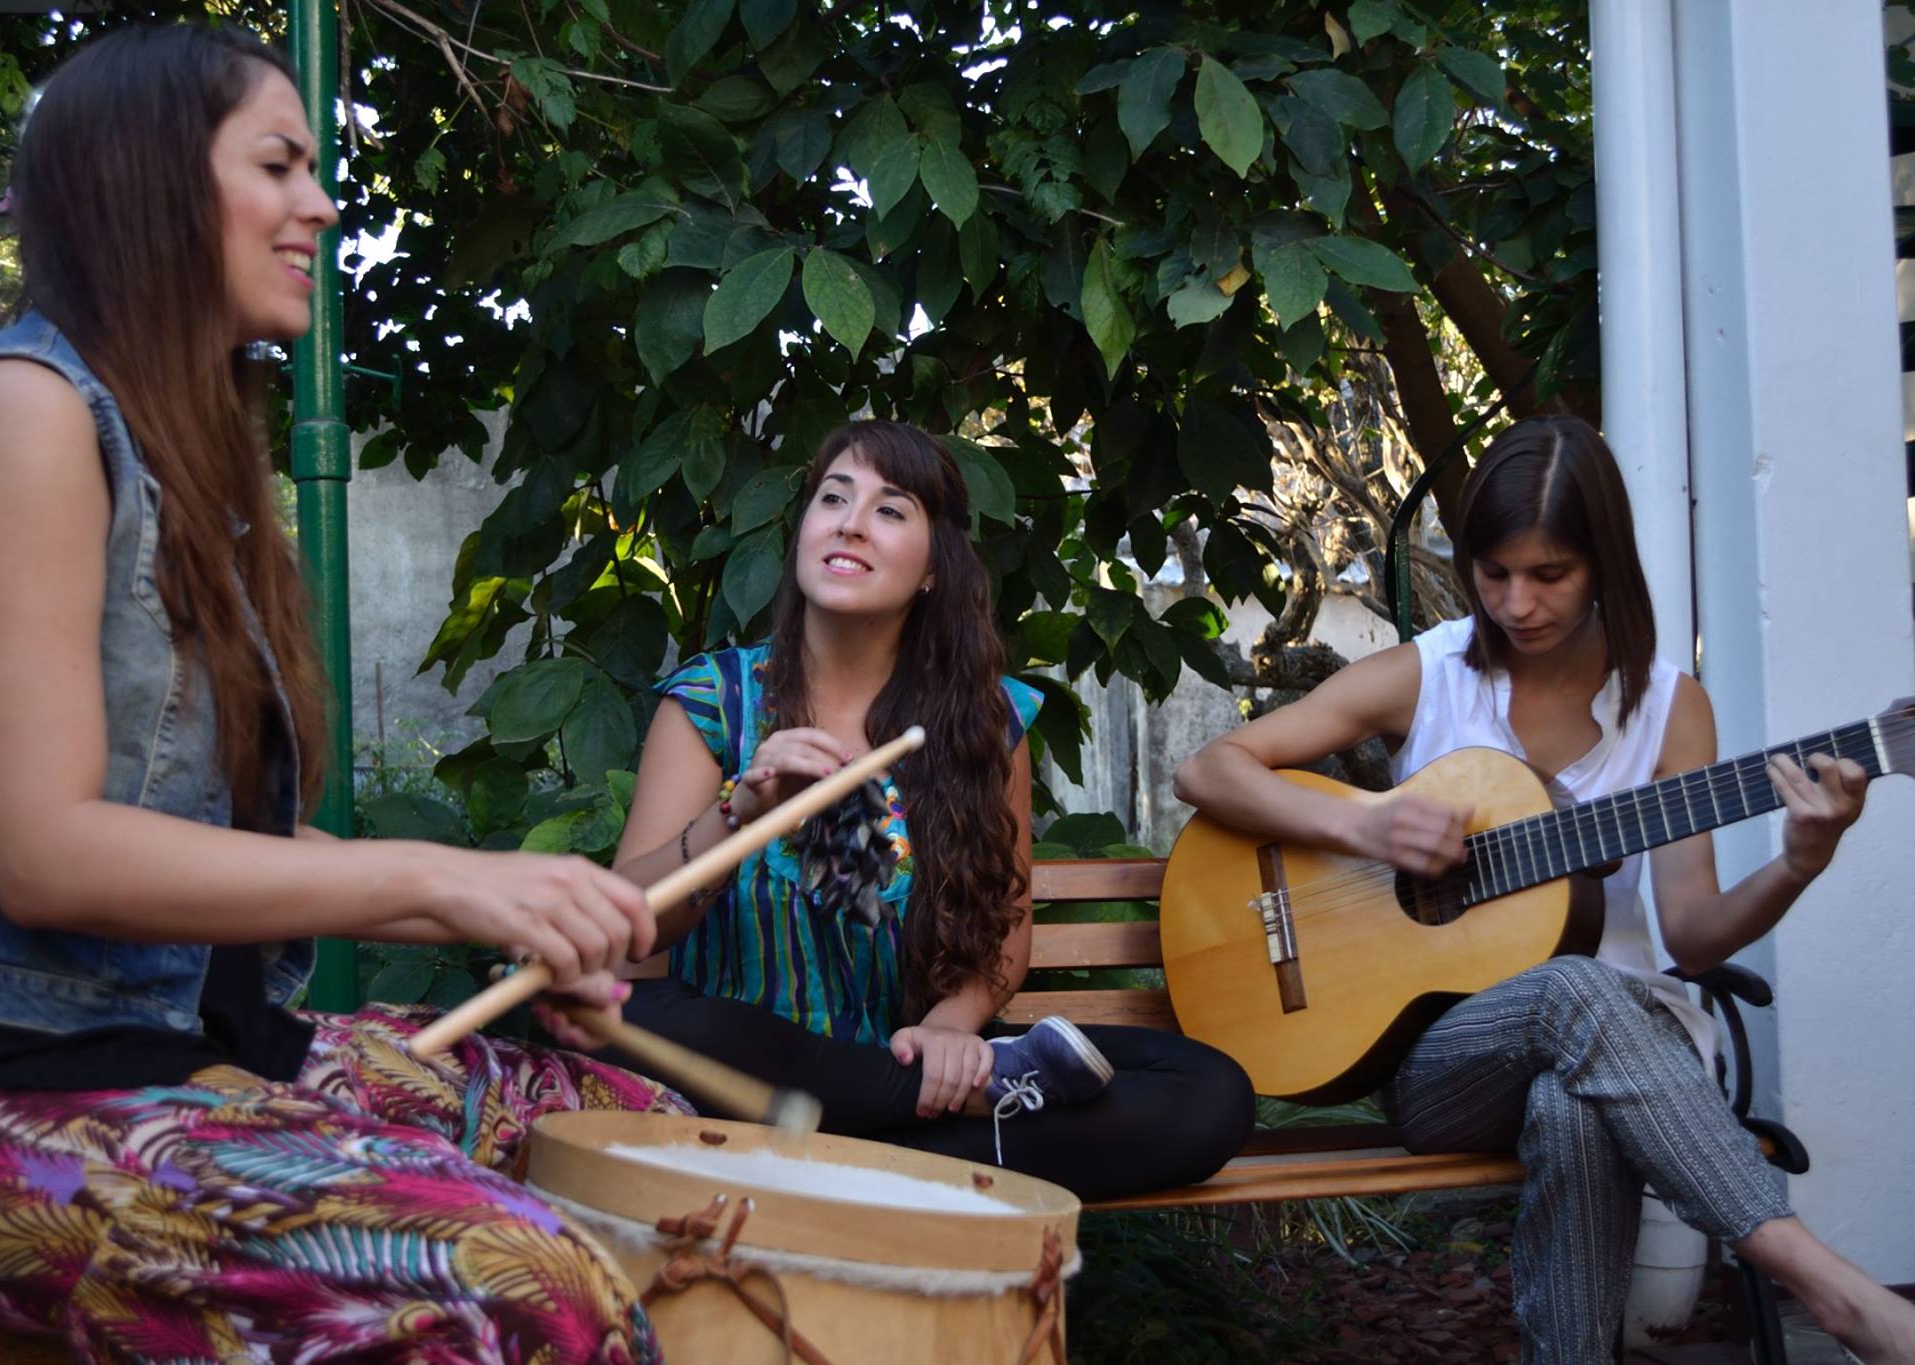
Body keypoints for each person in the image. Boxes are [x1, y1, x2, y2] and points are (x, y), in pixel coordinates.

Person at [0, 25, 691, 1363]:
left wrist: (509, 894)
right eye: (279, 164)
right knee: (525, 1284)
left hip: (154, 1041)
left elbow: (200, 838)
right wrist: (434, 881)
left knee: (619, 1121)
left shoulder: (173, 456)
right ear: (147, 184)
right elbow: (44, 852)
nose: (321, 204)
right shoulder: (18, 415)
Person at [1173, 415, 1915, 1363]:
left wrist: (1800, 862)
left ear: (1603, 562)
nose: (1517, 603)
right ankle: (1831, 1287)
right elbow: (1209, 770)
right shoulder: (1429, 676)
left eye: (1550, 574)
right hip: (1446, 1066)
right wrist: (1365, 825)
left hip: (1614, 1064)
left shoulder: (1666, 709)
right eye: (1495, 573)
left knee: (1574, 1101)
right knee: (1577, 988)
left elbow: (1689, 938)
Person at [610, 419, 1253, 1203]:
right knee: (638, 1017)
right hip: (743, 1072)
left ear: (931, 571)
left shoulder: (985, 721)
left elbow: (1004, 932)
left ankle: (860, 1152)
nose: (850, 520)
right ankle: (914, 1140)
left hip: (914, 1064)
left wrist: (953, 1028)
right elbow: (625, 939)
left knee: (1207, 1089)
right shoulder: (714, 702)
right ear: (804, 531)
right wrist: (740, 815)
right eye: (833, 497)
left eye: (890, 509)